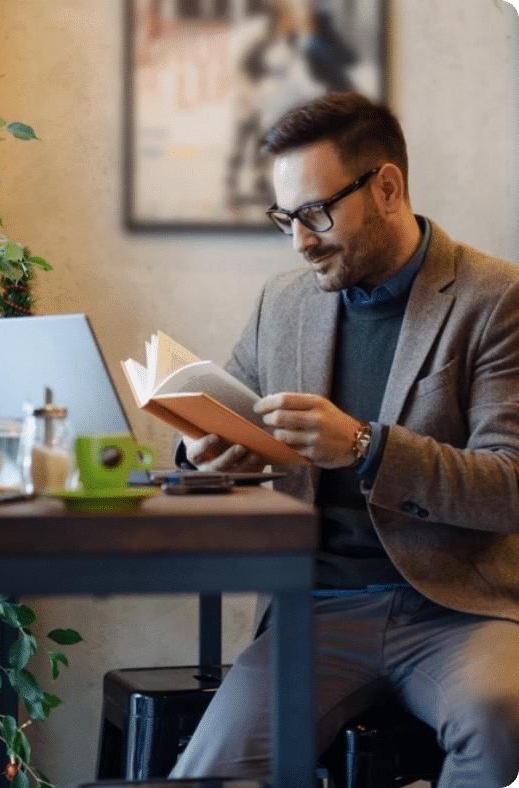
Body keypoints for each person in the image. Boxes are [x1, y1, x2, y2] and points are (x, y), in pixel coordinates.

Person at [169, 92, 519, 787]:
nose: (300, 240)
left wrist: (367, 446)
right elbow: (221, 410)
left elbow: (509, 487)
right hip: (315, 609)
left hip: (455, 607)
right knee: (210, 773)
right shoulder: (283, 303)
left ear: (386, 188)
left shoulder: (494, 298)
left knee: (502, 721)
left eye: (315, 213)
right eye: (285, 218)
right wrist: (199, 451)